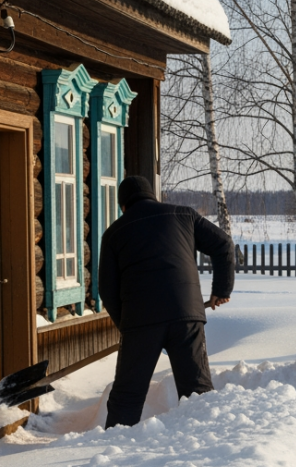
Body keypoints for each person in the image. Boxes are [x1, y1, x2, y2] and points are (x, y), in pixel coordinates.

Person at [98, 175, 236, 428]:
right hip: (187, 314)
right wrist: (221, 288)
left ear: (123, 205)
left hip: (140, 321)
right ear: (153, 196)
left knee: (127, 395)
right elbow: (223, 243)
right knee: (197, 390)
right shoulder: (184, 215)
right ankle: (207, 439)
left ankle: (114, 448)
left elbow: (107, 289)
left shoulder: (114, 233)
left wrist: (127, 325)